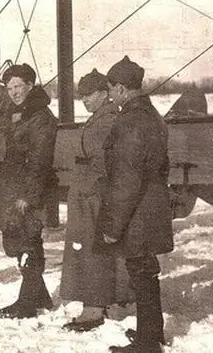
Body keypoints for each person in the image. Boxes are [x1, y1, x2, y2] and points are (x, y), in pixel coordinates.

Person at [98, 56, 173, 353]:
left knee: (141, 274)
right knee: (146, 272)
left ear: (121, 88)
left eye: (110, 90)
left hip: (137, 213)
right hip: (150, 207)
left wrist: (113, 227)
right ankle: (151, 334)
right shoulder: (152, 115)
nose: (109, 95)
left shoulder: (130, 121)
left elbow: (127, 180)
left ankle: (147, 344)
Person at [60, 68, 132, 332]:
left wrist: (90, 188)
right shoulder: (103, 117)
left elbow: (105, 163)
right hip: (90, 195)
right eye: (82, 96)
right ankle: (106, 302)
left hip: (94, 197)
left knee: (93, 251)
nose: (84, 101)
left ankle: (94, 308)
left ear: (104, 93)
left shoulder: (107, 119)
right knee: (94, 250)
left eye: (89, 95)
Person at [0, 63, 58, 319]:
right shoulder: (19, 113)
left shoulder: (40, 117)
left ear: (30, 86)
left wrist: (28, 197)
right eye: (9, 88)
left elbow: (40, 161)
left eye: (18, 86)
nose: (14, 92)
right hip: (12, 188)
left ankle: (27, 304)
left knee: (29, 241)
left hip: (28, 190)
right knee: (15, 242)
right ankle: (40, 296)